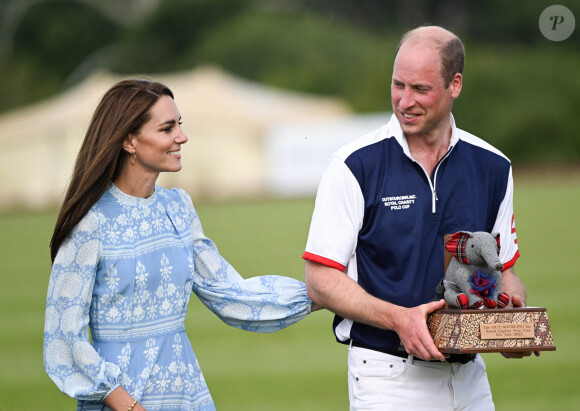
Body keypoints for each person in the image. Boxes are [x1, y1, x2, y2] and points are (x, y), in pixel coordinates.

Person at [44, 78, 313, 411]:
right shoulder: (89, 224)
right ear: (129, 140)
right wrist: (129, 407)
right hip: (121, 403)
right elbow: (64, 339)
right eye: (167, 128)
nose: (181, 137)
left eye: (179, 126)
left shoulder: (179, 208)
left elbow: (229, 292)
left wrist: (320, 295)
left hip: (186, 396)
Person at [303, 25, 535, 410]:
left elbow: (505, 270)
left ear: (455, 85)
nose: (404, 101)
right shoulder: (354, 164)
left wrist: (509, 321)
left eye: (420, 89)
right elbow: (320, 280)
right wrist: (399, 319)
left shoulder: (494, 166)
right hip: (387, 377)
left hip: (470, 377)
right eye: (398, 85)